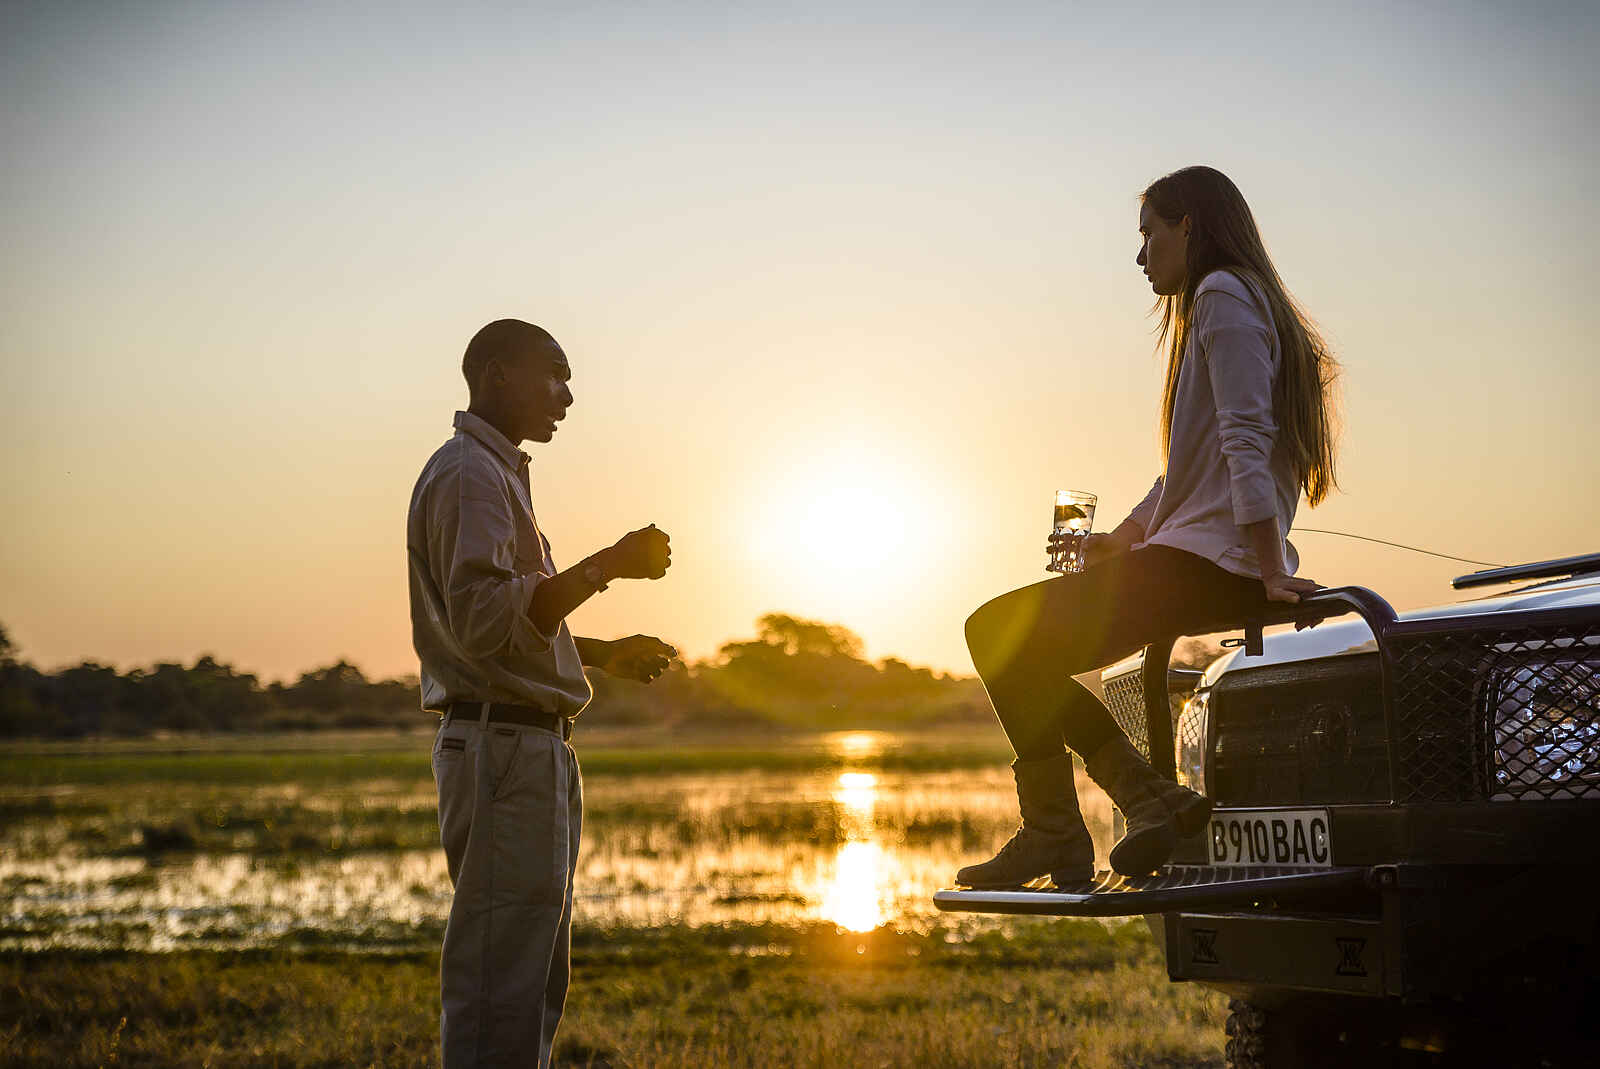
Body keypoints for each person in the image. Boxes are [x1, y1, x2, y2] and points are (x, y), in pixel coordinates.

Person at [957, 166, 1339, 888]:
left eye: (1148, 235)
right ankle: (1141, 803)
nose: (1140, 256)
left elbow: (1245, 439)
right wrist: (1122, 539)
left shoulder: (1223, 296)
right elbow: (1185, 471)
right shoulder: (1227, 305)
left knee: (993, 634)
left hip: (1205, 564)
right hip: (1189, 556)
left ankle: (1069, 828)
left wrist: (1267, 568)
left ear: (1188, 226)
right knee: (1014, 649)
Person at [407, 319, 676, 1068]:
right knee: (500, 979)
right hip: (504, 750)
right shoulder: (469, 473)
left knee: (528, 976)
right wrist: (607, 564)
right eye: (553, 375)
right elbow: (487, 620)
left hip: (525, 743)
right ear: (497, 375)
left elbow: (502, 629)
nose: (567, 394)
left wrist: (602, 654)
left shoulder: (494, 474)